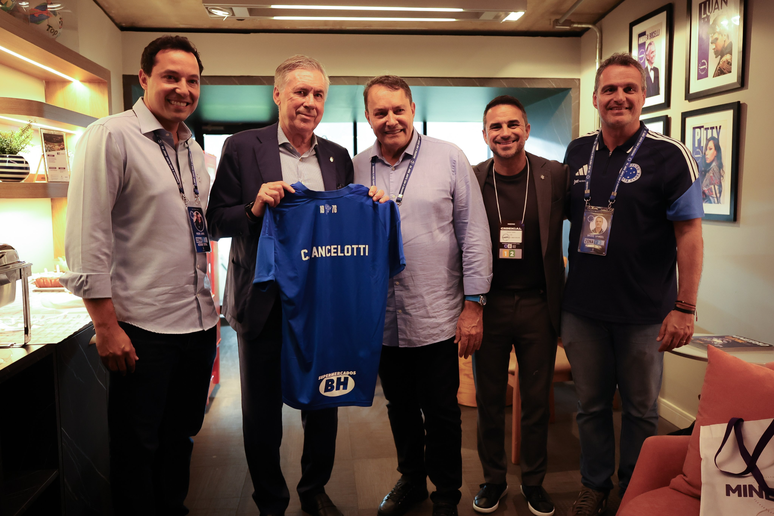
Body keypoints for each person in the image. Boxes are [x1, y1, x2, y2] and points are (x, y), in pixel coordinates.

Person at [206, 55, 385, 516]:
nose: (309, 102)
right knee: (262, 413)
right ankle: (270, 499)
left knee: (324, 401)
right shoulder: (243, 147)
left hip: (322, 304)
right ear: (278, 94)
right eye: (300, 92)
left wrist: (373, 203)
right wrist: (255, 206)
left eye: (318, 94)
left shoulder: (337, 157)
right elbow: (215, 221)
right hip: (262, 301)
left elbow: (344, 225)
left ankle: (315, 491)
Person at [61, 36, 219, 515]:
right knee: (137, 448)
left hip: (198, 322)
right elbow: (87, 236)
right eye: (171, 77)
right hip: (142, 329)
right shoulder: (110, 135)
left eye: (192, 80)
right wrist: (106, 326)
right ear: (144, 79)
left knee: (181, 439)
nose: (183, 89)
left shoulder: (191, 148)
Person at [562, 53, 704, 516]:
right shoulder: (577, 151)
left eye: (629, 88)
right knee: (591, 406)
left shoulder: (670, 155)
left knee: (642, 411)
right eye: (609, 89)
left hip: (645, 313)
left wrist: (685, 306)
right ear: (597, 98)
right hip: (582, 309)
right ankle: (594, 485)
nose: (619, 97)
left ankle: (635, 489)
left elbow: (690, 235)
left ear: (643, 96)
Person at [353, 75, 492, 516]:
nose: (390, 120)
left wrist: (474, 306)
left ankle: (447, 494)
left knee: (442, 411)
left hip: (436, 313)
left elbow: (475, 235)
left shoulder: (450, 158)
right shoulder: (357, 167)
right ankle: (411, 478)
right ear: (369, 116)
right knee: (398, 407)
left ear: (412, 109)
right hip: (383, 316)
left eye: (398, 110)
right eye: (380, 112)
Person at [470, 95, 569, 516]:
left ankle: (533, 482)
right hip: (488, 306)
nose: (505, 133)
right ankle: (493, 479)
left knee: (533, 399)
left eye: (513, 124)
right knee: (489, 400)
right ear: (485, 135)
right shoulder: (473, 178)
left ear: (527, 130)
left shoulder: (556, 175)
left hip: (538, 305)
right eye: (496, 127)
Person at [701, 136, 725, 204]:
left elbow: (715, 201)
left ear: (716, 152)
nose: (706, 153)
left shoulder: (714, 171)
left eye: (710, 149)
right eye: (706, 149)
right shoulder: (710, 170)